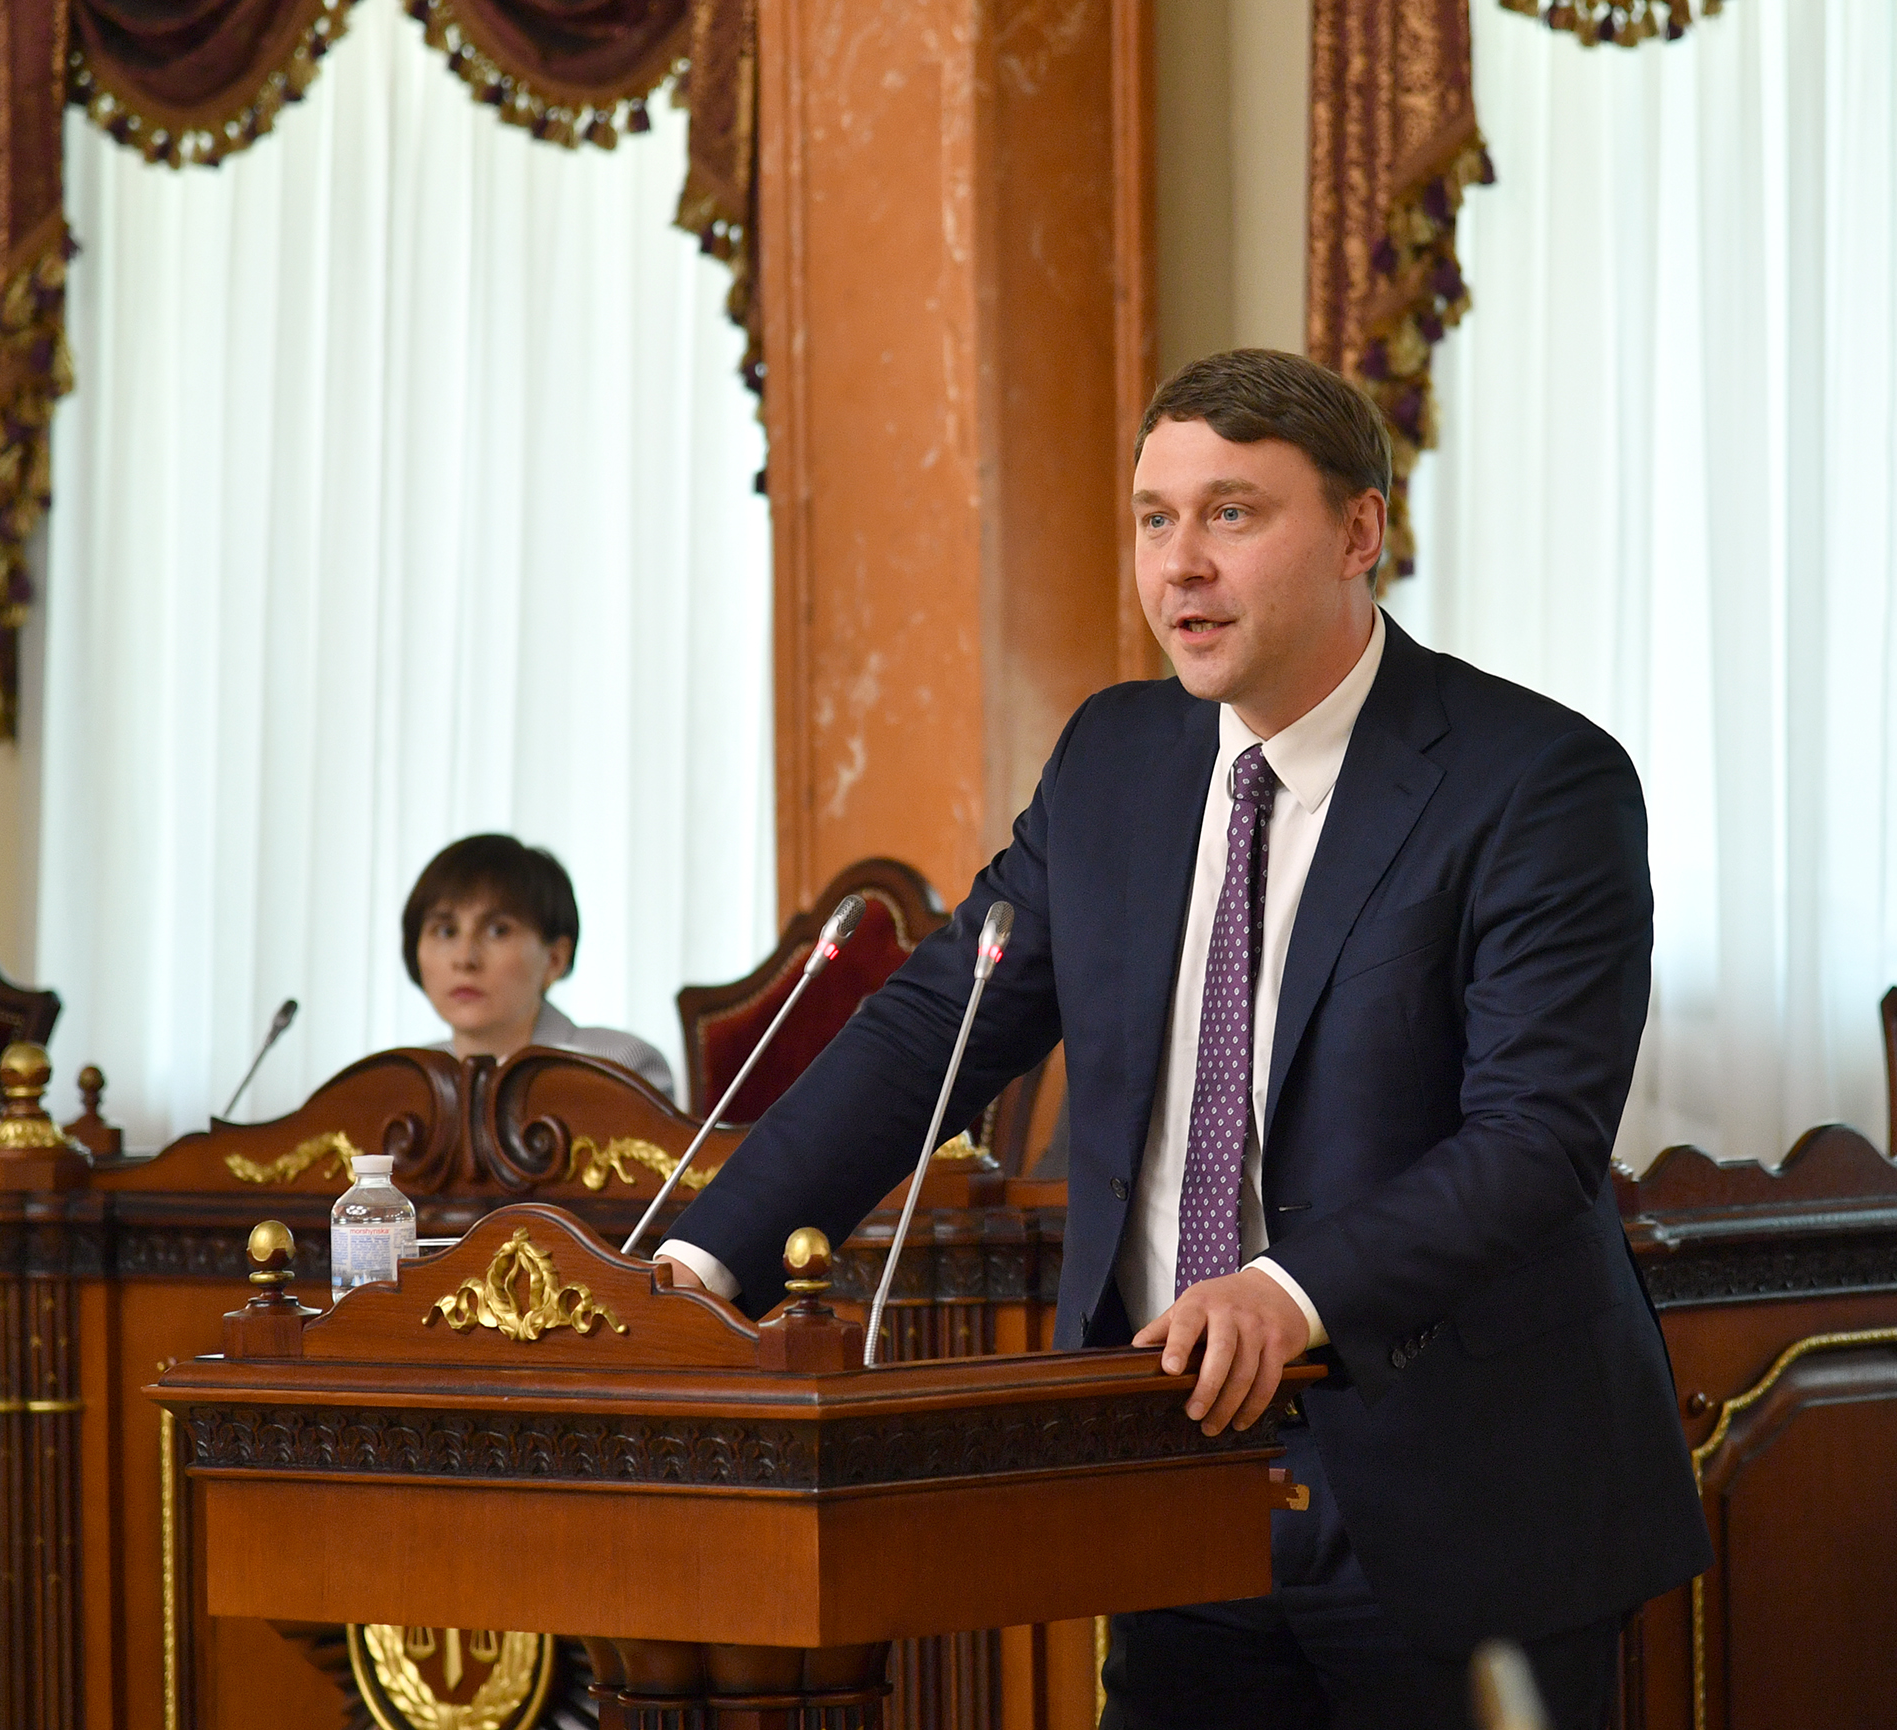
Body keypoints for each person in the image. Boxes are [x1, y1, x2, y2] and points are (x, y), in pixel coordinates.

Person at [657, 349, 1707, 1727]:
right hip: (1170, 1461)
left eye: (1231, 513)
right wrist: (700, 1264)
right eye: (1155, 518)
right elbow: (933, 1029)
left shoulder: (1535, 780)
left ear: (1358, 533)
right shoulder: (1114, 758)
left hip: (1460, 1484)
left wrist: (1287, 1290)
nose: (1180, 565)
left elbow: (1535, 1139)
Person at [402, 833, 677, 1098]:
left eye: (498, 931)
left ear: (555, 959)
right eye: (446, 931)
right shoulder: (401, 1081)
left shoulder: (619, 1067)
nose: (465, 959)